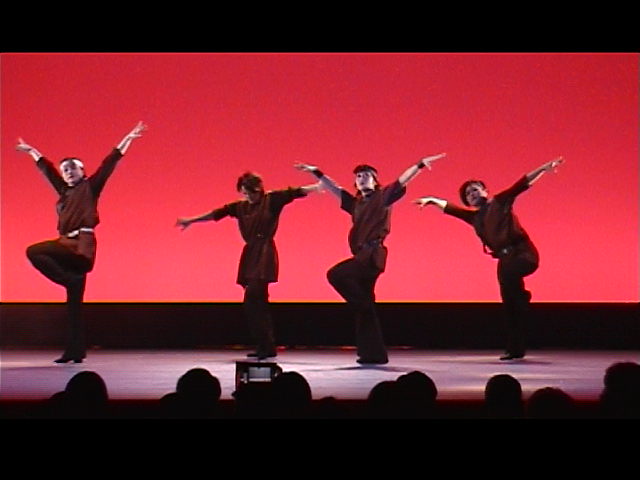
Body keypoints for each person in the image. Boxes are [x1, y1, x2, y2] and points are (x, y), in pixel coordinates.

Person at [296, 153, 446, 365]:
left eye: (367, 175)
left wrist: (419, 165)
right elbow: (334, 189)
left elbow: (402, 180)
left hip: (372, 256)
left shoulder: (382, 197)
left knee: (336, 275)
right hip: (361, 254)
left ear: (375, 181)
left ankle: (364, 308)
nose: (362, 178)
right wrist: (316, 172)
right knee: (364, 310)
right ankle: (373, 354)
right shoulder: (356, 203)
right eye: (358, 176)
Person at [16, 122, 146, 364]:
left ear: (82, 171)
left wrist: (128, 138)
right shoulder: (64, 192)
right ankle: (75, 351)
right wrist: (32, 151)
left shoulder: (90, 187)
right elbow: (48, 171)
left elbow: (109, 164)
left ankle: (68, 280)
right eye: (65, 170)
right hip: (65, 244)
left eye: (72, 168)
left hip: (81, 247)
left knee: (34, 251)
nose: (68, 172)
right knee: (74, 306)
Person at [414, 157, 564, 361]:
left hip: (523, 254)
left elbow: (521, 184)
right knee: (510, 308)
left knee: (512, 286)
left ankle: (522, 298)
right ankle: (515, 348)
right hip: (505, 260)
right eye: (469, 194)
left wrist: (544, 169)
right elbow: (450, 209)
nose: (473, 194)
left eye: (476, 190)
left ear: (485, 191)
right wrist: (431, 200)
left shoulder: (500, 202)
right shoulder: (474, 218)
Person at [176, 172, 322, 360]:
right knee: (255, 303)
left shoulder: (271, 200)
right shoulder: (241, 207)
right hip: (250, 253)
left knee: (254, 298)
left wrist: (316, 187)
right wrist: (190, 220)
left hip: (264, 253)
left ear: (258, 189)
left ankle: (266, 345)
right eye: (244, 193)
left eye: (249, 193)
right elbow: (217, 214)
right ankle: (265, 346)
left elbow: (293, 193)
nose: (247, 197)